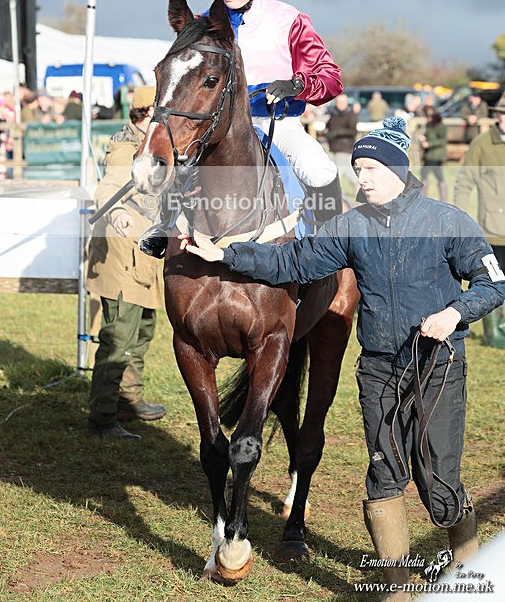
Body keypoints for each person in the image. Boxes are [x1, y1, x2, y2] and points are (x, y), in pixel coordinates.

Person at [180, 116, 505, 601]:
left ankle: (468, 570)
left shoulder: (447, 221)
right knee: (383, 473)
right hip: (378, 369)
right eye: (357, 169)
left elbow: (494, 283)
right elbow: (291, 262)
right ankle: (394, 589)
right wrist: (227, 254)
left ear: (398, 169)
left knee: (437, 478)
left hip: (437, 367)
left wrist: (455, 313)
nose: (362, 178)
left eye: (371, 168)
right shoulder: (351, 226)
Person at [139, 0, 345, 258]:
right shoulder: (203, 23)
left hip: (275, 125)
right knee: (181, 165)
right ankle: (165, 225)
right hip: (215, 127)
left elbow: (331, 76)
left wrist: (296, 85)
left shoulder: (288, 19)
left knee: (318, 166)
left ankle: (333, 246)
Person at [86, 85, 166, 440]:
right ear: (144, 115)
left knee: (143, 329)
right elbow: (108, 187)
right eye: (160, 114)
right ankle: (102, 418)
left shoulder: (155, 146)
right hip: (122, 259)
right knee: (119, 337)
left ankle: (128, 400)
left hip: (145, 258)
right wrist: (116, 209)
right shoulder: (124, 150)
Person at [454, 91, 505, 348]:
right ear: (497, 116)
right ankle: (493, 333)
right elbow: (464, 181)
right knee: (493, 277)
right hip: (493, 226)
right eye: (503, 114)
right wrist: (460, 218)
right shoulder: (483, 143)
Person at [324, 93, 359, 195]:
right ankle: (358, 192)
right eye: (338, 102)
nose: (340, 104)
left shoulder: (351, 115)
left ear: (347, 103)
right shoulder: (333, 114)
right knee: (348, 173)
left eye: (343, 102)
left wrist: (337, 133)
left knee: (340, 173)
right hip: (333, 148)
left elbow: (353, 131)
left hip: (345, 148)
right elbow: (328, 127)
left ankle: (332, 193)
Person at [418, 105, 448, 201]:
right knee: (435, 176)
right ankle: (442, 199)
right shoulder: (428, 125)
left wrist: (429, 144)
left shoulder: (441, 126)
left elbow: (443, 140)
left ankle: (423, 199)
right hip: (429, 155)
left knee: (425, 175)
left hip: (436, 155)